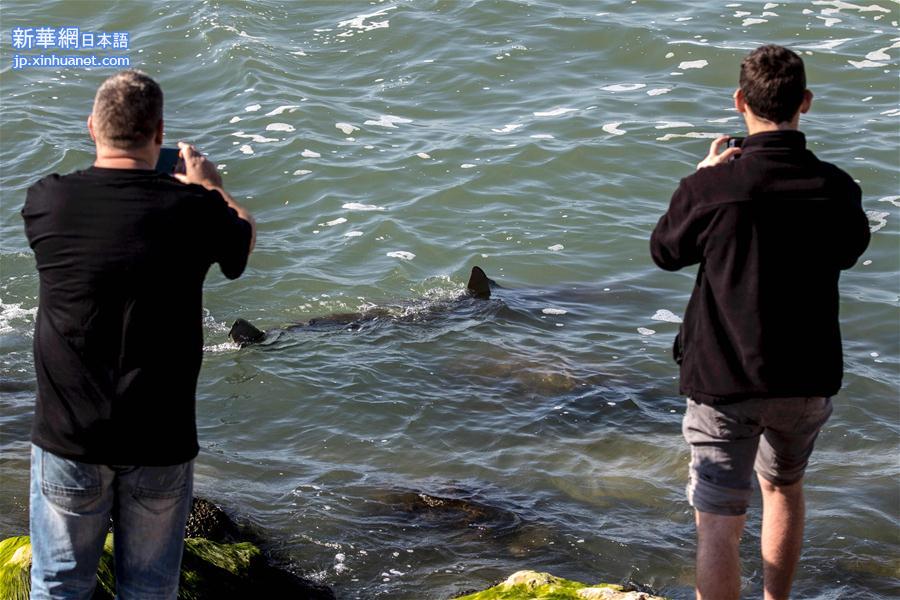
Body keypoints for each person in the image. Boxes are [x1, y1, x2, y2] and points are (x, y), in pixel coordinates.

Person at [22, 69, 256, 599]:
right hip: (160, 438)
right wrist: (211, 187)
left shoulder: (48, 202)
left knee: (58, 582)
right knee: (149, 588)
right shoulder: (195, 211)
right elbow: (240, 247)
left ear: (91, 127)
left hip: (70, 436)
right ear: (160, 133)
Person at [649, 45, 870, 600]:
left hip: (723, 379)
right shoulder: (836, 187)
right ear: (806, 103)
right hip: (806, 375)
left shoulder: (714, 187)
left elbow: (666, 251)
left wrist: (698, 178)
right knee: (784, 487)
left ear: (740, 101)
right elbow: (848, 252)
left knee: (718, 520)